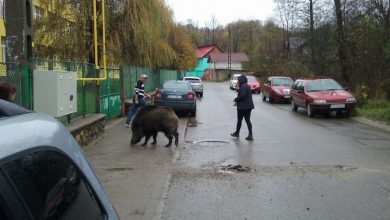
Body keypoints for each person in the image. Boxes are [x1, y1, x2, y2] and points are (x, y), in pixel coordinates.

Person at [231, 75, 254, 140]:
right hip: (248, 106)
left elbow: (242, 95)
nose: (238, 81)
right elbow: (243, 94)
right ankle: (250, 134)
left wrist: (236, 99)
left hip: (243, 107)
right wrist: (238, 89)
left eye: (238, 80)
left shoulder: (243, 86)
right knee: (248, 120)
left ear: (241, 80)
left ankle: (237, 133)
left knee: (240, 121)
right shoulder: (246, 86)